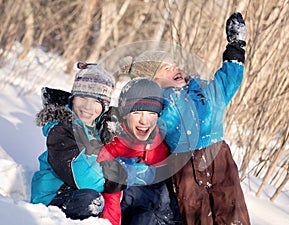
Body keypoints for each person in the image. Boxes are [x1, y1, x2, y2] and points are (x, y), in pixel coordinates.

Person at [119, 12, 251, 225]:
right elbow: (143, 127)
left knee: (231, 208)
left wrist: (236, 48)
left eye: (175, 66)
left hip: (218, 156)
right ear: (154, 80)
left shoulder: (203, 89)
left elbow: (228, 80)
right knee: (195, 214)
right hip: (182, 164)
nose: (176, 70)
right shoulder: (157, 102)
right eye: (166, 69)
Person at [31, 62, 153, 221]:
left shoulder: (100, 129)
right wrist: (124, 176)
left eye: (96, 102)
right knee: (92, 200)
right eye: (82, 97)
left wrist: (137, 168)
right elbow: (84, 178)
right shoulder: (61, 130)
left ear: (105, 106)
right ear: (73, 98)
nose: (88, 107)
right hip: (52, 199)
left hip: (81, 194)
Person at [96, 78, 180, 225]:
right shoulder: (113, 143)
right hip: (130, 213)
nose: (144, 121)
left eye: (151, 113)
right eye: (137, 112)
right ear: (125, 113)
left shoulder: (164, 140)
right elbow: (111, 198)